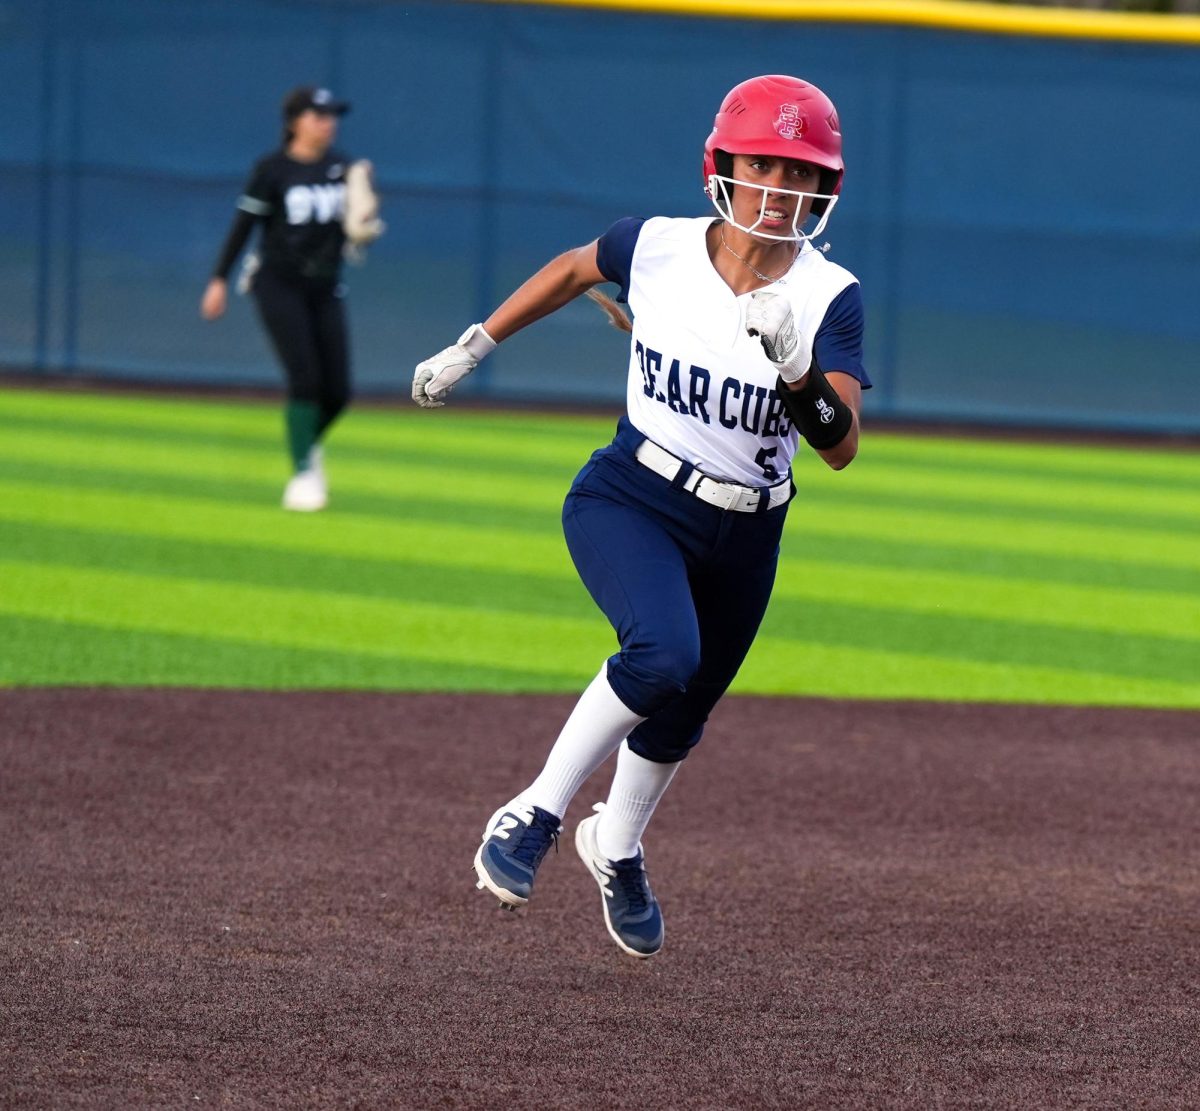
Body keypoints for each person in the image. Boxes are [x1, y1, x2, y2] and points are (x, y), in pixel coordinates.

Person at [411, 74, 870, 958]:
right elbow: (575, 268)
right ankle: (534, 812)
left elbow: (840, 444)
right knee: (664, 654)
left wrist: (797, 371)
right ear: (720, 165)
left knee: (682, 709)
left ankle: (614, 844)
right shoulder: (656, 246)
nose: (778, 186)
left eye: (800, 170)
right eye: (761, 162)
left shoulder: (826, 295)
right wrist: (475, 346)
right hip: (633, 495)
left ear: (825, 189)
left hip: (748, 531)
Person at [200, 85, 382, 512]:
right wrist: (218, 279)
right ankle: (303, 472)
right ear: (294, 121)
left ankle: (307, 444)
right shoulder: (273, 169)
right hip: (277, 283)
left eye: (332, 115)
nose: (327, 123)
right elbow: (245, 225)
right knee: (305, 379)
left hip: (326, 284)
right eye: (318, 115)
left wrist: (365, 220)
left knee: (338, 391)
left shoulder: (344, 166)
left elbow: (360, 219)